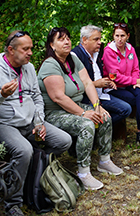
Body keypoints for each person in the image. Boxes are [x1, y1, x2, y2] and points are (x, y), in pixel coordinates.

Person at [0, 31, 72, 216]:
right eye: (25, 49)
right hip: (0, 124)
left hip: (28, 124)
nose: (30, 53)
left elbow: (37, 97)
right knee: (24, 150)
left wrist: (39, 122)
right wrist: (0, 96)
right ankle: (13, 203)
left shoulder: (28, 68)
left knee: (63, 140)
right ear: (11, 50)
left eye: (31, 49)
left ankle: (34, 177)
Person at [38, 27, 123, 191]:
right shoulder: (50, 64)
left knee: (104, 116)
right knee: (87, 124)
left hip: (74, 107)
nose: (67, 41)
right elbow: (58, 97)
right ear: (52, 45)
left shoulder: (72, 59)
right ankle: (83, 172)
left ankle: (104, 161)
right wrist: (84, 113)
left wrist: (97, 106)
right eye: (61, 39)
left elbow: (87, 83)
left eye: (68, 38)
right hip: (54, 112)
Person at [102, 22, 140, 144]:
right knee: (136, 99)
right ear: (113, 36)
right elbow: (114, 76)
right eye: (116, 35)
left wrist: (136, 83)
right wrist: (136, 80)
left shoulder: (130, 49)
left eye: (122, 35)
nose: (119, 39)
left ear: (127, 36)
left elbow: (135, 69)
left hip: (129, 84)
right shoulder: (109, 51)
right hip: (113, 87)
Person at [71, 25, 132, 125]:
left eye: (100, 39)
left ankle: (102, 126)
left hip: (101, 95)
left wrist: (107, 82)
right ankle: (101, 126)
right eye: (96, 39)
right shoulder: (75, 56)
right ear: (84, 40)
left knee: (126, 108)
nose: (100, 42)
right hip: (85, 100)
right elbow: (74, 85)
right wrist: (95, 84)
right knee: (124, 108)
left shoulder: (97, 53)